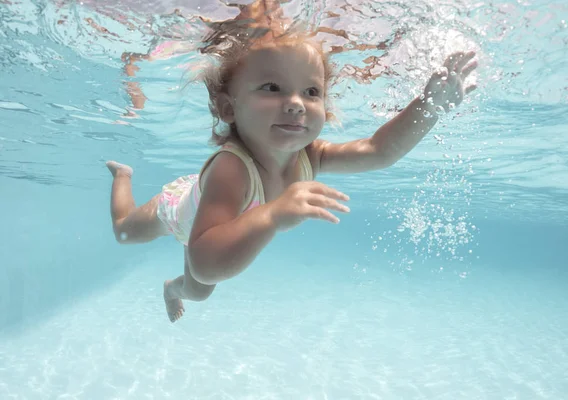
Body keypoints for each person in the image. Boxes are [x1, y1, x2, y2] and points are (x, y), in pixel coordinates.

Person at [106, 6, 477, 322]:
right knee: (124, 233)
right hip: (179, 209)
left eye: (311, 92)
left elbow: (379, 151)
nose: (296, 103)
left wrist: (430, 106)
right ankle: (123, 175)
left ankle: (173, 289)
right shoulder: (231, 169)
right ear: (228, 108)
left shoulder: (309, 155)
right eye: (272, 87)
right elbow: (204, 259)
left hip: (211, 230)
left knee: (198, 293)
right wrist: (271, 216)